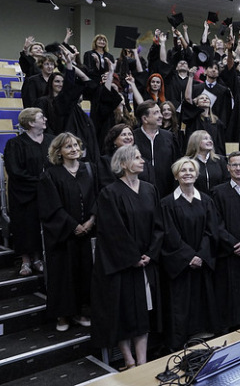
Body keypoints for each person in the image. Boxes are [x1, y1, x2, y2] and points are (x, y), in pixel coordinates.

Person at [91, 145, 164, 369]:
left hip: (145, 263)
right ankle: (128, 360)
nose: (143, 161)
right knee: (121, 313)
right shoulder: (110, 193)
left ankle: (142, 361)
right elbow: (113, 231)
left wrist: (150, 253)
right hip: (121, 265)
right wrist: (133, 257)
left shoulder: (150, 189)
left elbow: (159, 226)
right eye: (137, 158)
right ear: (123, 164)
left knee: (143, 313)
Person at [38, 133, 97, 332]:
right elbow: (51, 206)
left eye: (76, 145)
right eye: (68, 146)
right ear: (59, 152)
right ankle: (62, 315)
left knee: (84, 273)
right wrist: (73, 225)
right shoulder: (51, 174)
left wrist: (91, 220)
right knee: (63, 275)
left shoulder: (89, 170)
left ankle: (79, 312)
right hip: (62, 236)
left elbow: (98, 198)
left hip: (87, 232)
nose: (73, 149)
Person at [160, 157, 218, 349]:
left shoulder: (207, 201)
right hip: (181, 267)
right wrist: (188, 257)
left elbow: (211, 231)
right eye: (183, 171)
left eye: (191, 170)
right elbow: (169, 233)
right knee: (180, 307)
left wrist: (200, 255)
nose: (187, 173)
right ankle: (178, 346)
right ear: (176, 175)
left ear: (197, 174)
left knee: (204, 304)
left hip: (201, 264)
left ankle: (203, 344)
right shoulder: (167, 203)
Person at [210, 151, 240, 331]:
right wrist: (232, 243)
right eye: (234, 165)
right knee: (228, 293)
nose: (238, 168)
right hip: (227, 253)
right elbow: (216, 222)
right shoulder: (218, 192)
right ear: (228, 168)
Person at [4, 107, 54, 277]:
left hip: (48, 192)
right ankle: (26, 261)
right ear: (31, 122)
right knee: (25, 224)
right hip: (24, 193)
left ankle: (38, 258)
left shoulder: (51, 141)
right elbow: (15, 171)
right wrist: (40, 182)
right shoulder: (15, 144)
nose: (45, 119)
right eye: (42, 117)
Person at [133, 100, 180, 198]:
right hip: (139, 193)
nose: (161, 116)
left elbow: (177, 164)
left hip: (167, 192)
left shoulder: (170, 137)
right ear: (145, 119)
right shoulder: (133, 138)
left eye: (159, 112)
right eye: (156, 113)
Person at [185, 130, 229, 196]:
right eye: (205, 139)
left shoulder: (221, 160)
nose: (210, 141)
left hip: (218, 199)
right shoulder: (187, 162)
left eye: (210, 139)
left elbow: (227, 181)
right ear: (196, 142)